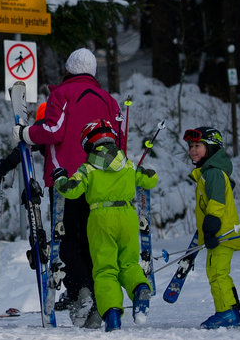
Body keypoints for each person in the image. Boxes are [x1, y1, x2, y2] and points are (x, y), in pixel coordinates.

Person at [21, 47, 124, 328]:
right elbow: (120, 141)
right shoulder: (109, 100)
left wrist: (25, 133)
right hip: (102, 182)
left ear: (68, 68)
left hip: (67, 178)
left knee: (65, 239)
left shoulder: (62, 94)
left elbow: (54, 131)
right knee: (93, 240)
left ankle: (81, 291)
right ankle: (95, 297)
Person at [54, 122, 157, 332]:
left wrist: (59, 177)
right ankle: (140, 289)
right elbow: (150, 179)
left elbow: (70, 190)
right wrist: (146, 171)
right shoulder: (128, 164)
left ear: (87, 143)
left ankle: (112, 317)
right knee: (128, 264)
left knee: (105, 270)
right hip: (127, 216)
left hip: (100, 218)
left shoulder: (88, 168)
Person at [183, 127, 240, 329]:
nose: (193, 150)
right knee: (219, 272)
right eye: (191, 146)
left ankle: (226, 313)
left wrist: (210, 227)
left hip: (221, 234)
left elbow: (216, 203)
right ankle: (232, 310)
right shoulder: (209, 173)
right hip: (220, 233)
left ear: (211, 148)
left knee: (216, 273)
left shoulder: (214, 174)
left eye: (198, 146)